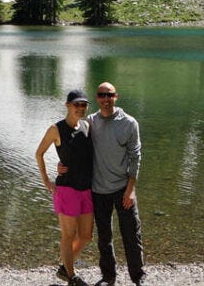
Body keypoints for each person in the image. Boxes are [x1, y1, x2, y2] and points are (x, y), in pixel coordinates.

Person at [63, 81, 145, 286]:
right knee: (104, 239)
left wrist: (131, 190)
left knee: (131, 235)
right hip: (98, 191)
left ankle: (138, 277)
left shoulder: (129, 123)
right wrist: (62, 164)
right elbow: (72, 145)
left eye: (110, 95)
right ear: (97, 99)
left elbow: (136, 157)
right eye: (101, 95)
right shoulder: (90, 122)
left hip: (123, 190)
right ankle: (109, 277)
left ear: (116, 97)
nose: (106, 99)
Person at [37, 89, 95, 286]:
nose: (80, 108)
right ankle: (72, 276)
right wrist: (46, 180)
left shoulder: (87, 126)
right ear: (68, 106)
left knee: (86, 235)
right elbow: (39, 153)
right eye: (76, 104)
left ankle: (64, 266)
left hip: (86, 189)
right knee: (68, 234)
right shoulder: (56, 129)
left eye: (83, 105)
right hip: (67, 189)